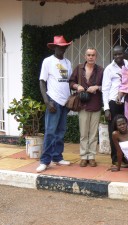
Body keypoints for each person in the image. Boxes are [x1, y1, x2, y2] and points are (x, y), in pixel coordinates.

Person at [36, 35, 72, 173]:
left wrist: (69, 100)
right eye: (59, 47)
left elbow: (67, 82)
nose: (61, 49)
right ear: (54, 47)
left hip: (64, 102)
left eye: (63, 47)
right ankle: (45, 161)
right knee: (50, 132)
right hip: (53, 101)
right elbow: (42, 81)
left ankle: (57, 157)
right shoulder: (48, 61)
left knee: (61, 132)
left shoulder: (68, 63)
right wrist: (46, 101)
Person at [69, 48, 103, 167]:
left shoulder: (100, 70)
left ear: (96, 56)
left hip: (95, 104)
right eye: (88, 55)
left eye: (93, 55)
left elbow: (106, 85)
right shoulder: (79, 68)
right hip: (82, 104)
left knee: (93, 133)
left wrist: (97, 87)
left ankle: (92, 156)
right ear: (85, 56)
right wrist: (77, 86)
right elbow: (71, 82)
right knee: (83, 133)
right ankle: (84, 156)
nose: (90, 57)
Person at [102, 46, 128, 165]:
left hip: (126, 102)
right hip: (113, 103)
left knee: (124, 131)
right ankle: (115, 158)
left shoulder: (127, 65)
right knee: (113, 131)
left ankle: (124, 156)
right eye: (115, 54)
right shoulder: (109, 68)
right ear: (113, 55)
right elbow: (105, 89)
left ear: (124, 53)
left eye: (120, 54)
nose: (118, 56)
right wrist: (106, 108)